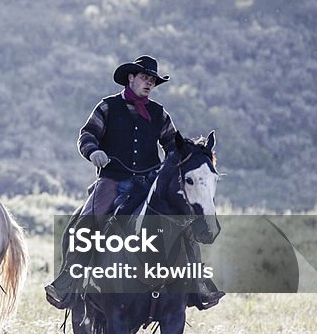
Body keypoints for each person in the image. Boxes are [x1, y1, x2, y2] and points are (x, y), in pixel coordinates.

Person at [44, 55, 225, 310]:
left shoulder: (159, 114)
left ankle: (199, 285)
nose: (149, 83)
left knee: (185, 222)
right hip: (113, 180)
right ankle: (68, 281)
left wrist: (190, 159)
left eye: (152, 80)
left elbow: (175, 148)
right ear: (130, 78)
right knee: (85, 222)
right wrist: (93, 151)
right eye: (144, 78)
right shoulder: (107, 107)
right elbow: (87, 135)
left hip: (150, 182)